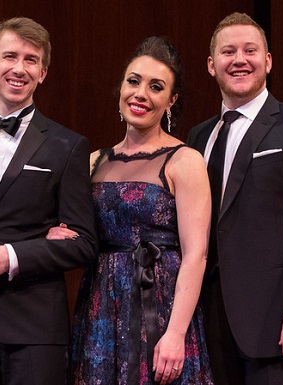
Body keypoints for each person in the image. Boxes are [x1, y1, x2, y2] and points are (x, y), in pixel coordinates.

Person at [0, 17, 97, 385]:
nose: (19, 68)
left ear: (43, 72)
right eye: (10, 56)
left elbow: (85, 243)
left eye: (31, 60)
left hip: (33, 324)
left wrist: (11, 255)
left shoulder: (67, 145)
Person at [187, 12, 283, 385]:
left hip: (282, 325)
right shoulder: (197, 137)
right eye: (228, 52)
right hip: (211, 324)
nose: (239, 59)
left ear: (268, 61)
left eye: (250, 50)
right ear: (211, 65)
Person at [49, 37, 214, 385]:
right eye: (134, 81)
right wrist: (58, 233)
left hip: (161, 306)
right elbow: (81, 234)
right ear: (121, 87)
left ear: (171, 101)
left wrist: (175, 333)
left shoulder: (185, 161)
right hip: (101, 309)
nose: (141, 93)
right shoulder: (94, 160)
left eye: (156, 87)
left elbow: (196, 255)